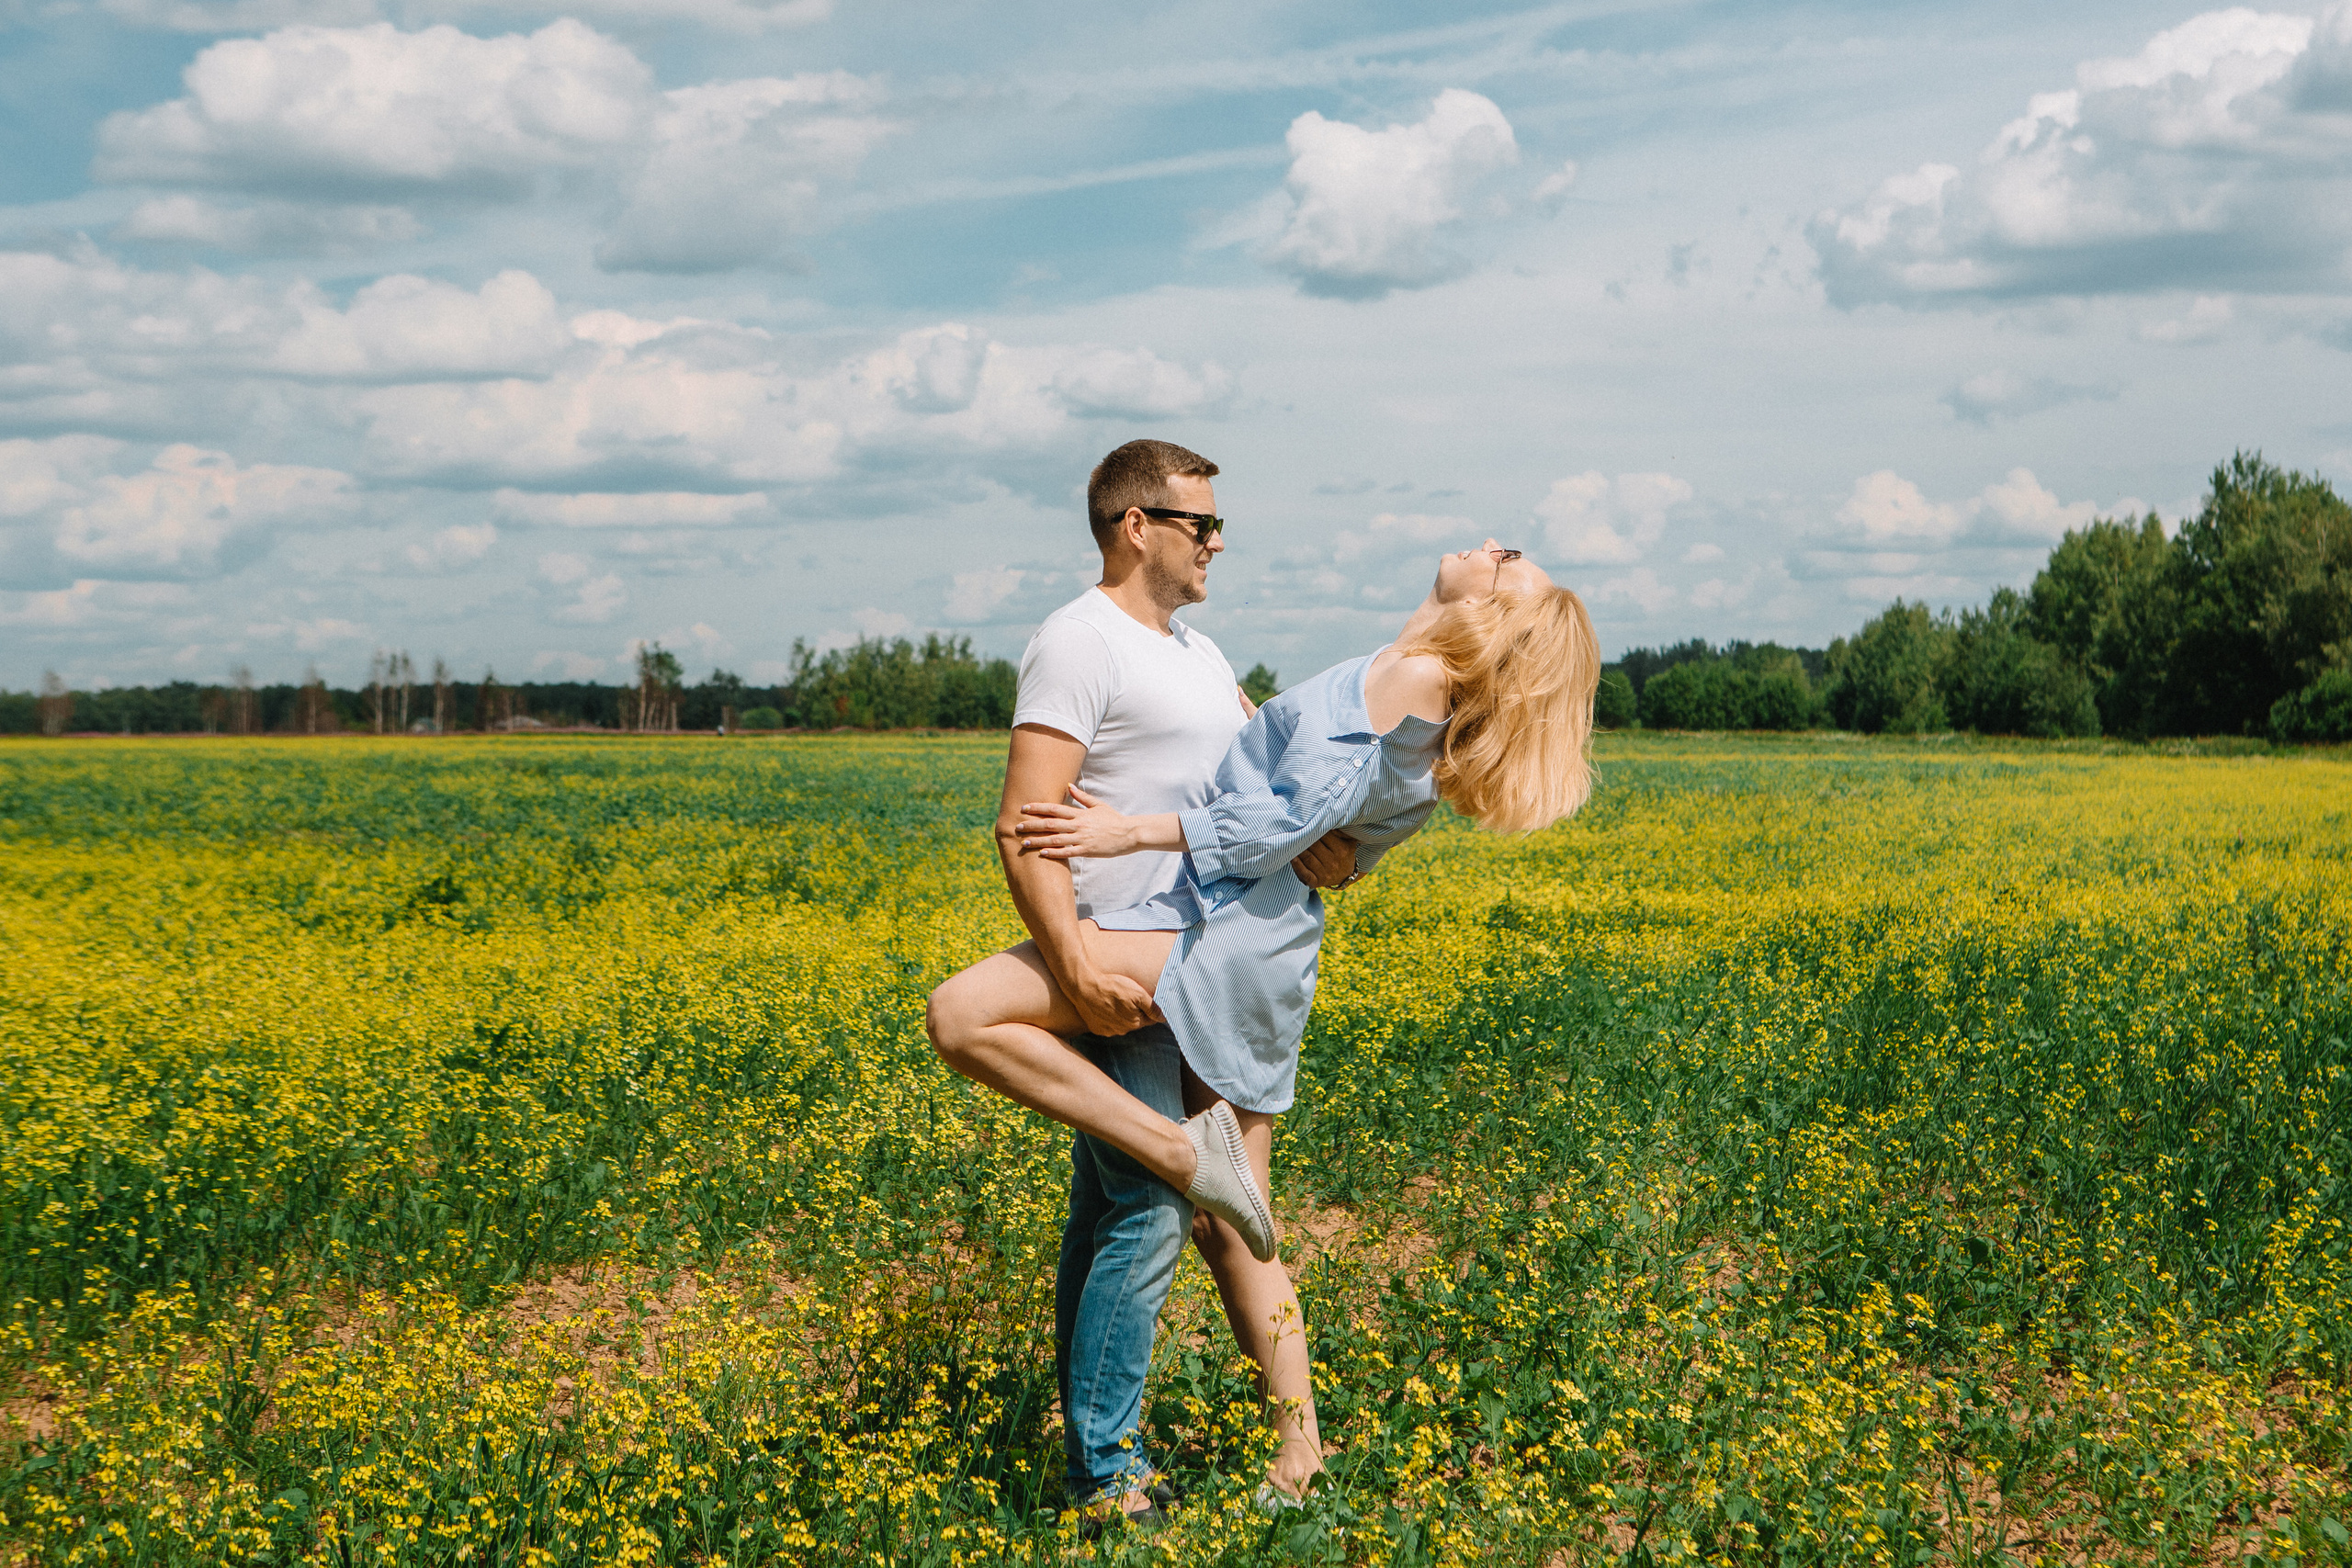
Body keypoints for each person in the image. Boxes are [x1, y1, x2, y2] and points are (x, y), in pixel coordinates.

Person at [928, 532, 1600, 1512]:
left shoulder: (1412, 672)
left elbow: (1282, 817)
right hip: (1266, 951)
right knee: (1242, 1233)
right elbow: (1324, 804)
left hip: (1216, 933)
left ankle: (1170, 1149)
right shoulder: (1428, 698)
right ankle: (1300, 1459)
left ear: (1489, 617)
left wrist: (1128, 830)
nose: (1493, 547)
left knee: (964, 1013)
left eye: (1508, 564)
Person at [930, 439, 1364, 1533]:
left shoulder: (1198, 652)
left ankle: (1095, 1450)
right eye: (1200, 524)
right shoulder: (1079, 643)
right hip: (1127, 954)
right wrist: (1073, 957)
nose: (1218, 541)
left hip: (1203, 961)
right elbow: (1025, 821)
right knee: (1147, 1212)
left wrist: (1325, 847)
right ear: (1137, 527)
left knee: (1110, 1207)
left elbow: (1266, 785)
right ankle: (1107, 1479)